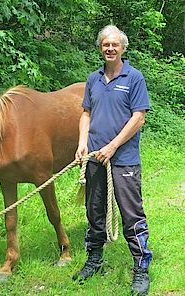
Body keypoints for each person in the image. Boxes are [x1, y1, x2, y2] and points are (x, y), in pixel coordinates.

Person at [72, 25, 153, 296]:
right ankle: (94, 260)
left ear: (122, 48)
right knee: (94, 213)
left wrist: (113, 146)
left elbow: (138, 118)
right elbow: (86, 113)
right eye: (105, 45)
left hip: (124, 160)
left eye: (114, 45)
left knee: (132, 215)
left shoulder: (134, 78)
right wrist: (83, 143)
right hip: (95, 157)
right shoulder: (93, 80)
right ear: (100, 48)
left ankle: (141, 269)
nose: (110, 48)